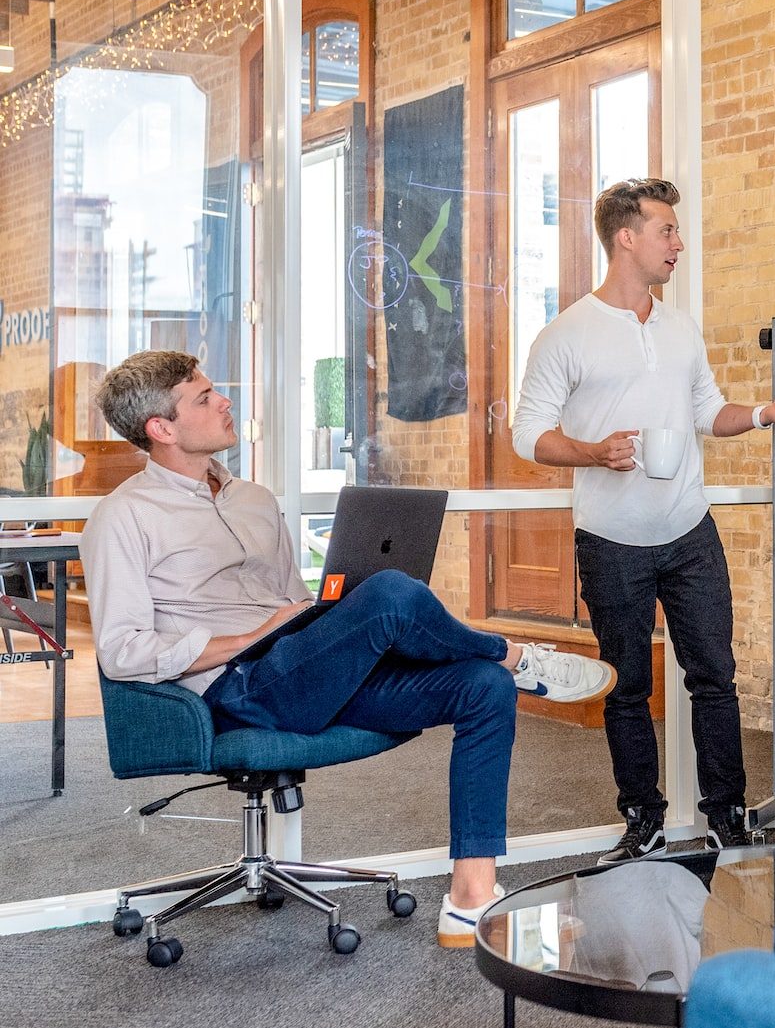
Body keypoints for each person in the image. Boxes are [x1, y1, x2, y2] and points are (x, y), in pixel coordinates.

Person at [81, 350, 615, 948]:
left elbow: (291, 602)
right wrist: (250, 636)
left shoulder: (253, 499)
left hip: (302, 667)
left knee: (479, 687)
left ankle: (471, 896)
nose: (225, 401)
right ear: (162, 428)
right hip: (239, 688)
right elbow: (123, 652)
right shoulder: (122, 517)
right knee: (390, 595)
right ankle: (513, 656)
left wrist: (323, 613)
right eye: (205, 398)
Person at [512, 177, 775, 861]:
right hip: (611, 540)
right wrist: (593, 450)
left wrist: (766, 412)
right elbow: (527, 434)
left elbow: (709, 412)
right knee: (627, 681)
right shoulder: (567, 333)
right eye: (667, 230)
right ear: (627, 236)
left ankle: (726, 813)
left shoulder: (679, 329)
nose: (678, 243)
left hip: (689, 532)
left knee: (714, 674)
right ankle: (642, 816)